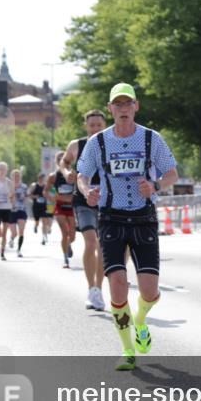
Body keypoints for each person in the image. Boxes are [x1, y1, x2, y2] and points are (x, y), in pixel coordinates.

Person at [77, 83, 178, 371]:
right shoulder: (98, 142)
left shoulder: (151, 139)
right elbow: (81, 175)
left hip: (143, 218)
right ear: (110, 109)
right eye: (117, 104)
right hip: (111, 218)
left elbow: (172, 173)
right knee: (118, 289)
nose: (122, 109)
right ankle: (128, 350)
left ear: (136, 106)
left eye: (127, 104)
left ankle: (142, 320)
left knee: (150, 292)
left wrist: (156, 185)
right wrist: (87, 192)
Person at [64, 109, 108, 311]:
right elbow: (64, 161)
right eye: (92, 125)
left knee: (102, 247)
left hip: (108, 200)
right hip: (83, 200)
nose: (96, 128)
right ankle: (91, 288)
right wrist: (67, 173)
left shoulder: (113, 142)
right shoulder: (77, 145)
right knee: (91, 242)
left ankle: (98, 289)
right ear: (86, 126)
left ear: (105, 125)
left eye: (99, 125)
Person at [48, 151, 77, 268]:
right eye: (59, 158)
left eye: (63, 158)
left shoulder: (73, 174)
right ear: (57, 162)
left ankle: (69, 244)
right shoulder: (53, 176)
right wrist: (52, 196)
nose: (62, 160)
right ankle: (66, 259)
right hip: (59, 206)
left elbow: (80, 186)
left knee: (73, 236)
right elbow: (46, 190)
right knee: (64, 233)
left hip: (71, 207)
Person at [9, 169, 29, 257]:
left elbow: (26, 197)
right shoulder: (8, 186)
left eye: (18, 176)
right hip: (11, 211)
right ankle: (12, 239)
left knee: (21, 232)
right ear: (11, 177)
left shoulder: (24, 186)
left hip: (21, 210)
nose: (16, 177)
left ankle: (19, 250)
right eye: (14, 176)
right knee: (14, 233)